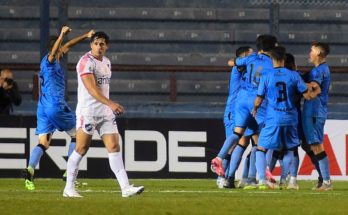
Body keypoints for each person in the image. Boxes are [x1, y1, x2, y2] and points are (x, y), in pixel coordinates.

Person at [63, 31, 144, 198]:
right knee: (81, 148)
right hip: (88, 112)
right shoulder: (85, 62)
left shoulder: (106, 62)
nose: (99, 47)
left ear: (107, 46)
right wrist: (111, 103)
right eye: (96, 43)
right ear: (91, 45)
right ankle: (68, 188)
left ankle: (125, 188)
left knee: (114, 147)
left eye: (102, 44)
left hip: (105, 113)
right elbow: (92, 90)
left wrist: (108, 106)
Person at [23, 26, 95, 191]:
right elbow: (56, 51)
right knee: (78, 136)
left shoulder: (46, 60)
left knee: (43, 143)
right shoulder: (50, 60)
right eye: (60, 47)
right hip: (55, 105)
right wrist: (62, 34)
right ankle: (69, 174)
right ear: (55, 47)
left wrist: (85, 36)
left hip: (43, 107)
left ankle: (30, 170)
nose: (64, 50)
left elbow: (68, 45)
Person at [211, 35, 278, 187]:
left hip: (241, 101)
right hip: (253, 102)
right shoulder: (270, 64)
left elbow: (232, 61)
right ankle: (261, 175)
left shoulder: (249, 60)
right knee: (263, 138)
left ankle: (220, 161)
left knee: (239, 137)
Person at [252, 46, 316, 190]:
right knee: (291, 149)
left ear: (272, 59)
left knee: (261, 148)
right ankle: (291, 181)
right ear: (284, 59)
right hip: (291, 118)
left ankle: (262, 179)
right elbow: (307, 96)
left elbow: (259, 98)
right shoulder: (293, 75)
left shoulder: (266, 75)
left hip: (273, 118)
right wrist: (315, 91)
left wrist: (255, 108)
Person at [302, 42, 332, 191]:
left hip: (314, 111)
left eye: (312, 50)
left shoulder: (318, 71)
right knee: (314, 145)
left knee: (316, 145)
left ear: (319, 52)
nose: (310, 53)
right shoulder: (321, 69)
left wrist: (305, 92)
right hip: (316, 111)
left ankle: (326, 181)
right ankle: (324, 180)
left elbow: (315, 88)